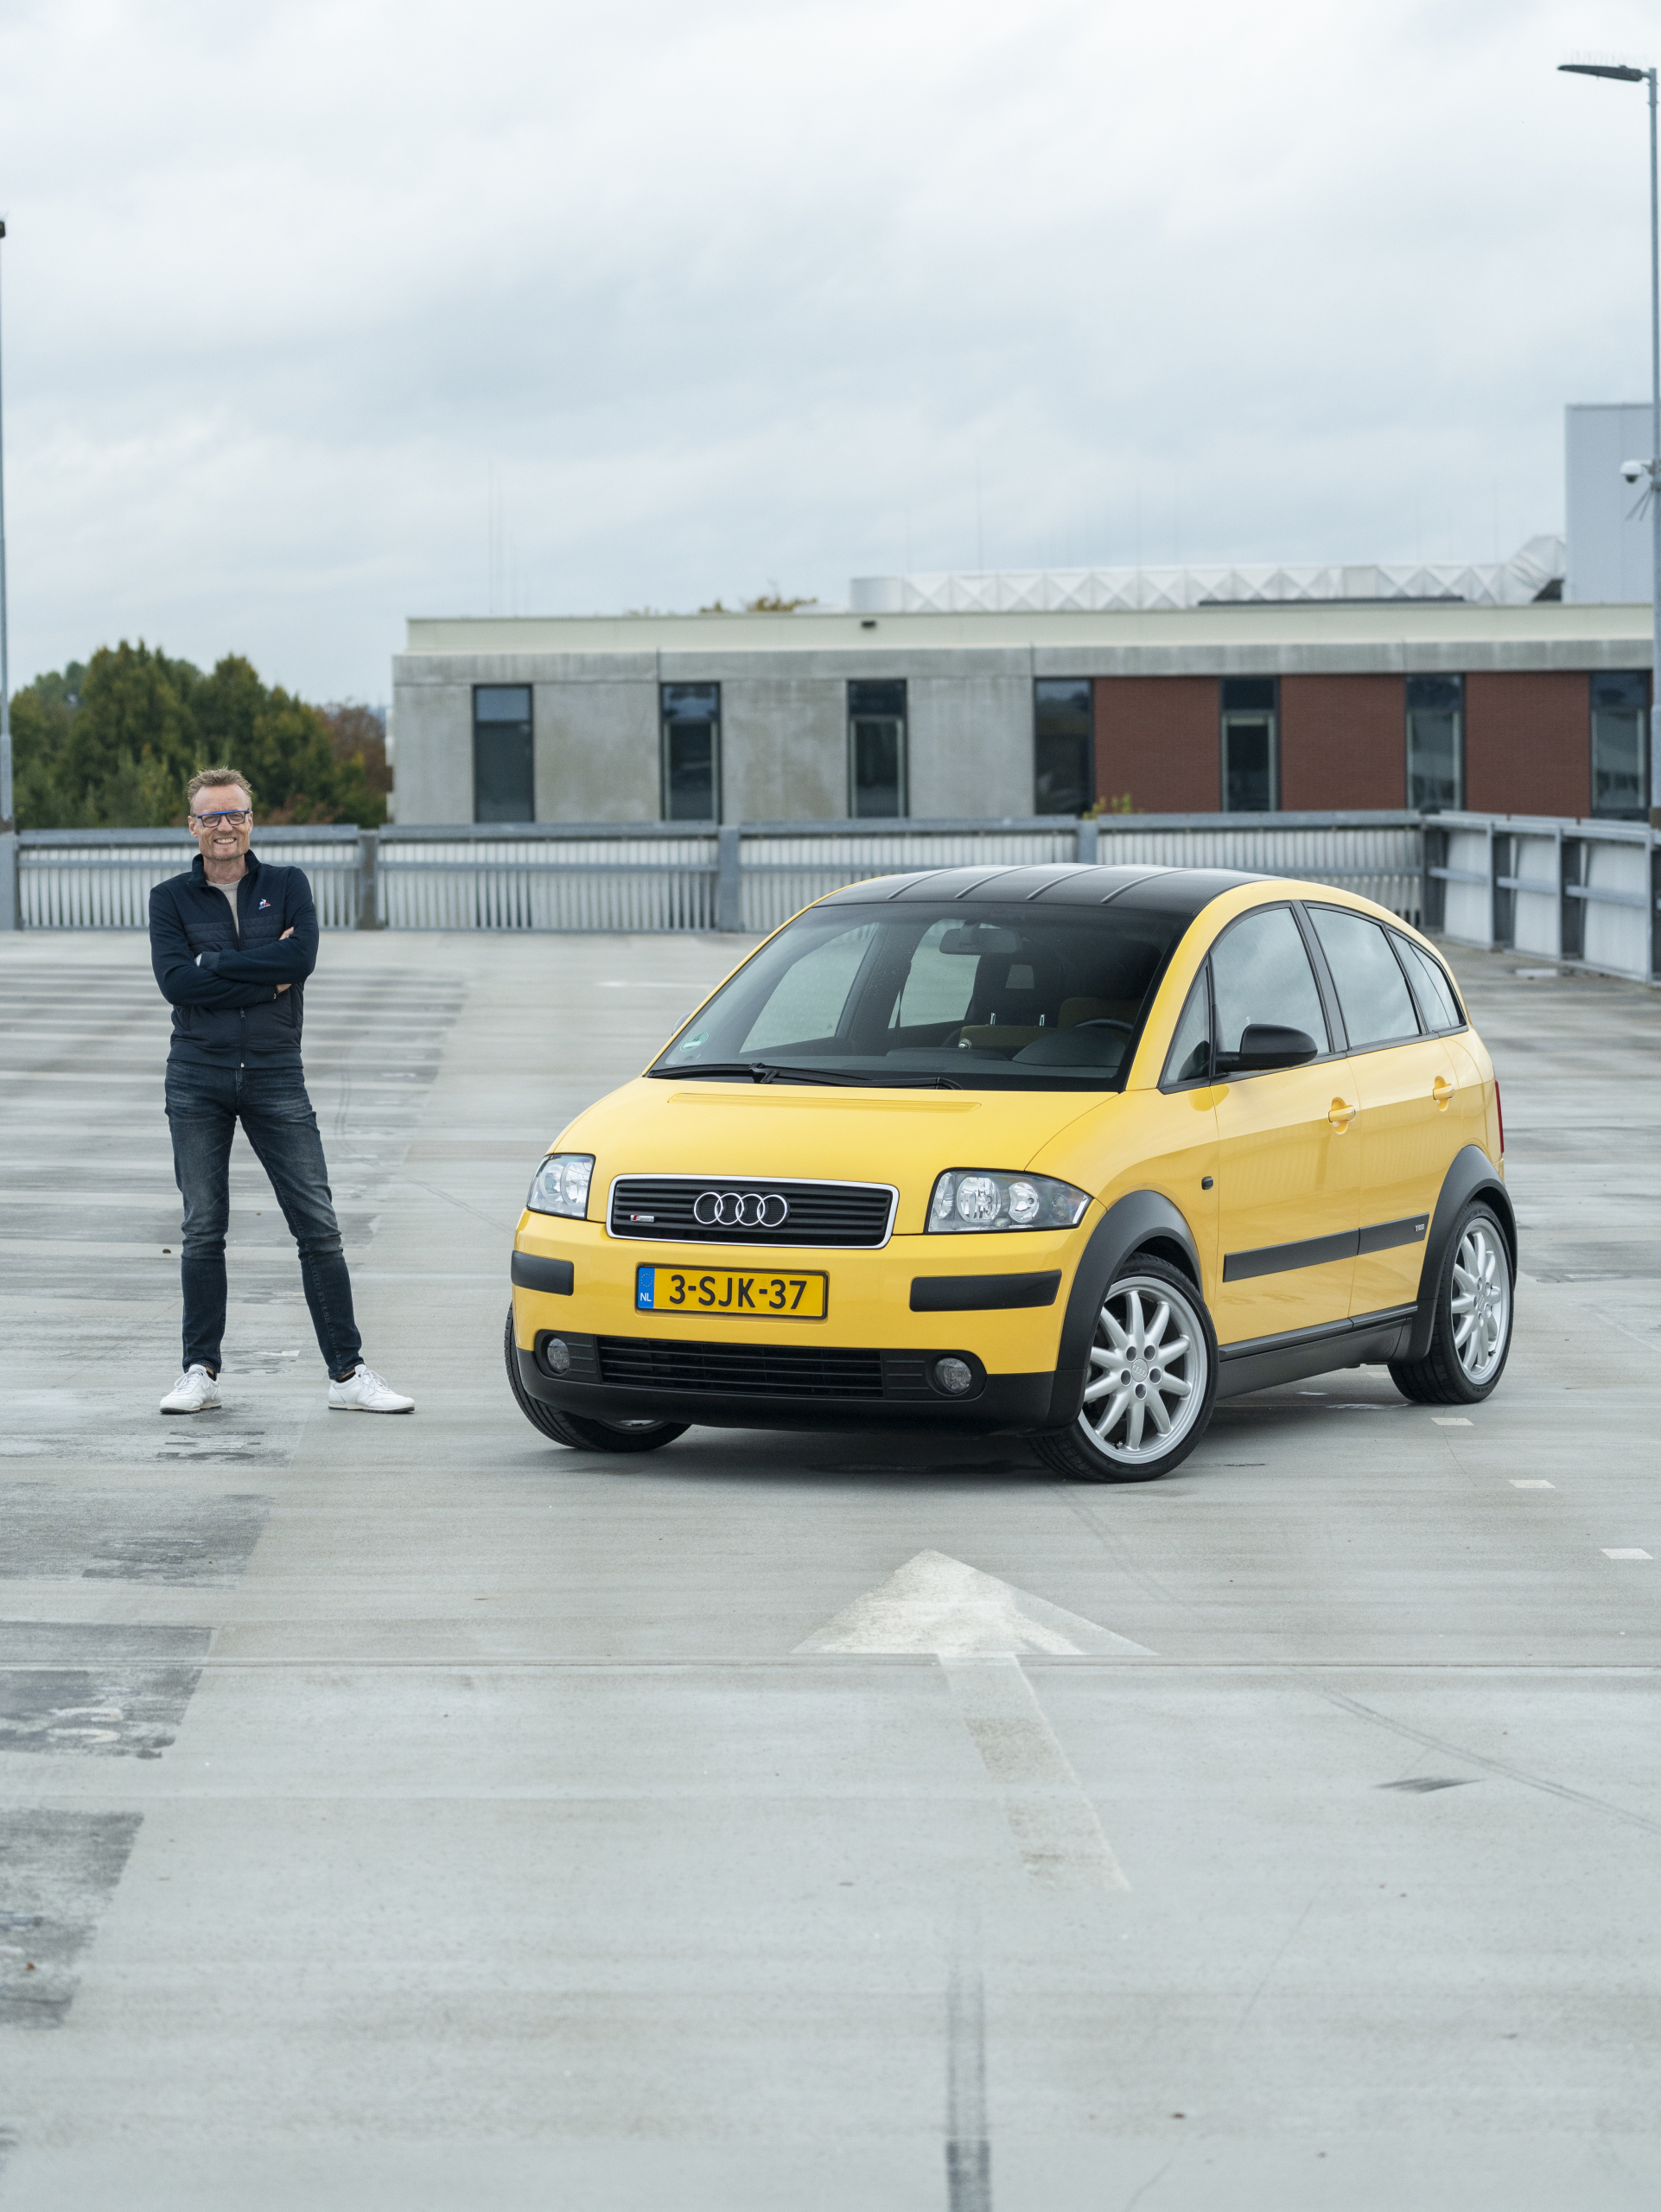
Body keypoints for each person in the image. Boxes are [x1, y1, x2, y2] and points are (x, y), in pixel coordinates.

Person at [148, 767, 413, 1416]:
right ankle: (199, 1371)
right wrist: (259, 980)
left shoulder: (288, 886)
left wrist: (218, 967)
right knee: (203, 1229)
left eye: (234, 814)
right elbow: (177, 983)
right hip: (197, 1075)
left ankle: (347, 1376)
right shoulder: (169, 899)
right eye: (210, 817)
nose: (224, 827)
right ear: (192, 827)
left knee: (318, 1227)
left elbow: (301, 962)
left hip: (274, 1071)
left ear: (251, 820)